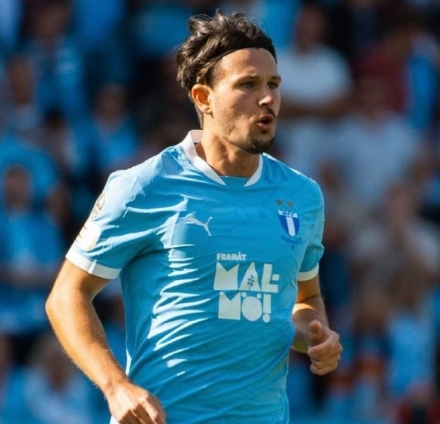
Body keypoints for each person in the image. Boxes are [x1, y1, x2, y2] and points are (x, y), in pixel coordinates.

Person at [46, 10, 342, 424]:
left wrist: (315, 335)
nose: (267, 98)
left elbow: (305, 300)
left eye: (273, 84)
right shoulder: (144, 186)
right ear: (203, 98)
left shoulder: (302, 196)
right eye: (248, 84)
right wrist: (116, 386)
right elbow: (67, 296)